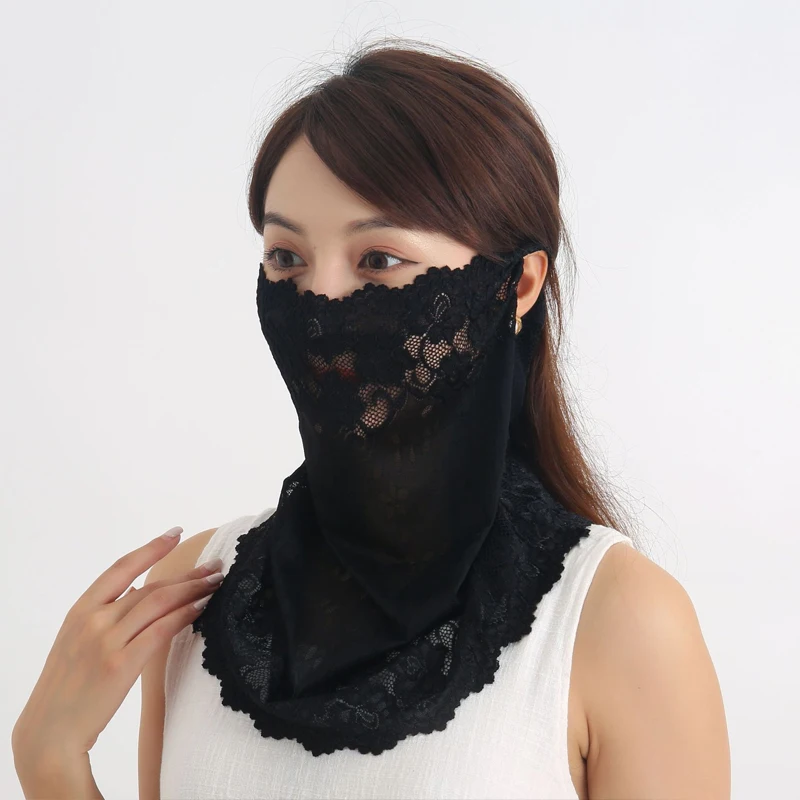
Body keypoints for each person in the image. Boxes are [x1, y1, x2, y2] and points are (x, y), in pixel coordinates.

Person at [12, 39, 730, 800]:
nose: (319, 302)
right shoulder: (196, 591)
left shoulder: (619, 622)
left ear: (518, 285)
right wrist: (50, 760)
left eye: (378, 260)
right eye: (286, 258)